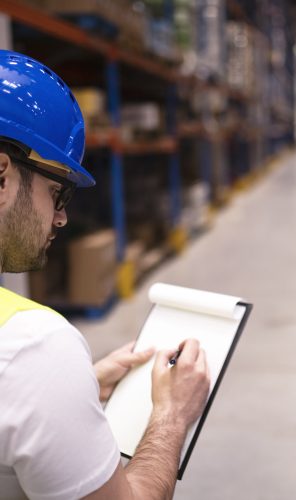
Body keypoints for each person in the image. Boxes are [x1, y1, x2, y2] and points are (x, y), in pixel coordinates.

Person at [0, 50, 210, 499]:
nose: (60, 219)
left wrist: (72, 391)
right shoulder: (31, 346)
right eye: (57, 193)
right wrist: (171, 415)